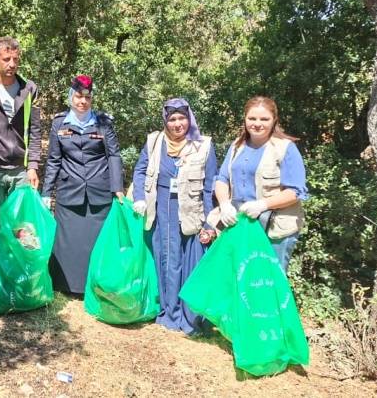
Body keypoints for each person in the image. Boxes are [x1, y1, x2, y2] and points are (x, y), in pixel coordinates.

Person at [131, 98, 217, 334]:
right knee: (166, 259)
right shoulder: (154, 141)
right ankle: (168, 312)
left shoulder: (203, 145)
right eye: (172, 119)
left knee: (188, 261)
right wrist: (139, 197)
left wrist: (210, 223)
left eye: (182, 118)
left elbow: (210, 186)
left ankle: (188, 316)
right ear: (165, 121)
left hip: (191, 213)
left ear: (190, 119)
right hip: (161, 209)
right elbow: (140, 170)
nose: (178, 124)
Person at [41, 75, 124, 294]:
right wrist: (46, 193)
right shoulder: (59, 123)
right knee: (69, 242)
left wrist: (117, 187)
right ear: (71, 97)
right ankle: (66, 285)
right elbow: (54, 159)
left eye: (87, 97)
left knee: (96, 240)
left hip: (99, 191)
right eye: (78, 96)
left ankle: (95, 284)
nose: (83, 101)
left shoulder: (103, 123)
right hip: (70, 191)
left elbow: (114, 155)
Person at [214, 96, 309, 272]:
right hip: (240, 225)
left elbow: (295, 192)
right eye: (252, 118)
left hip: (273, 231)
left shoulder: (285, 148)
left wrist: (262, 205)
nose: (257, 124)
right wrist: (224, 205)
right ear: (245, 119)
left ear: (274, 120)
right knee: (239, 278)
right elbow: (222, 179)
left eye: (264, 119)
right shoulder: (237, 146)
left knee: (267, 281)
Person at [0, 36, 42, 249]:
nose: (12, 64)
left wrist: (32, 166)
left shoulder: (29, 89)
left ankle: (20, 268)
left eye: (16, 59)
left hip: (20, 169)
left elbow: (35, 130)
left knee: (22, 226)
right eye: (6, 59)